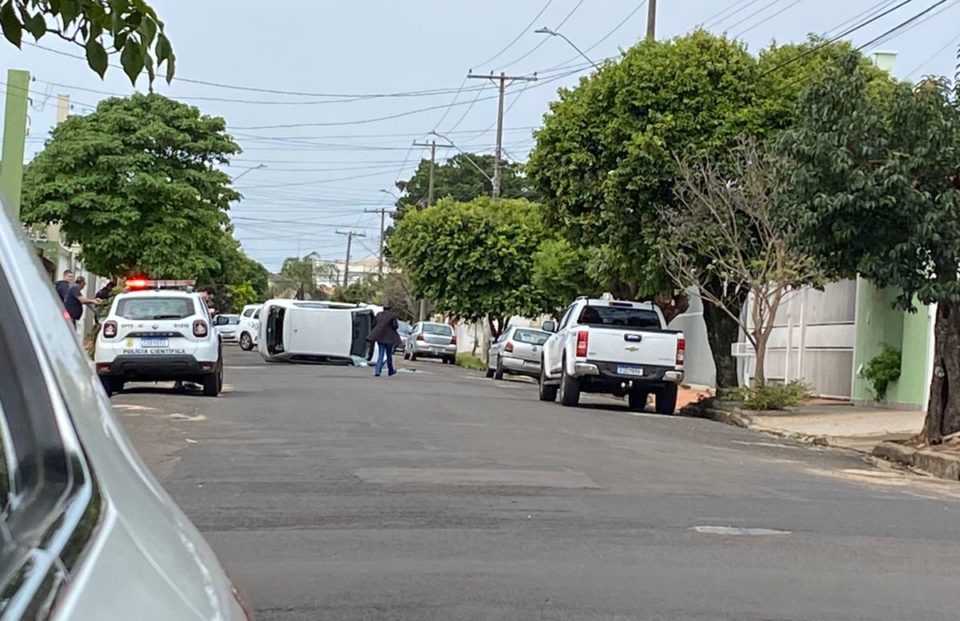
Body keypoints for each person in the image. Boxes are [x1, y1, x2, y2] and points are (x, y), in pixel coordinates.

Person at [369, 305, 402, 377]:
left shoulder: (379, 314)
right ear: (390, 309)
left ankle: (378, 371)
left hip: (379, 336)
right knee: (389, 355)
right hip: (389, 337)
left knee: (381, 354)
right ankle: (390, 370)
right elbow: (395, 326)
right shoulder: (392, 315)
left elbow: (373, 324)